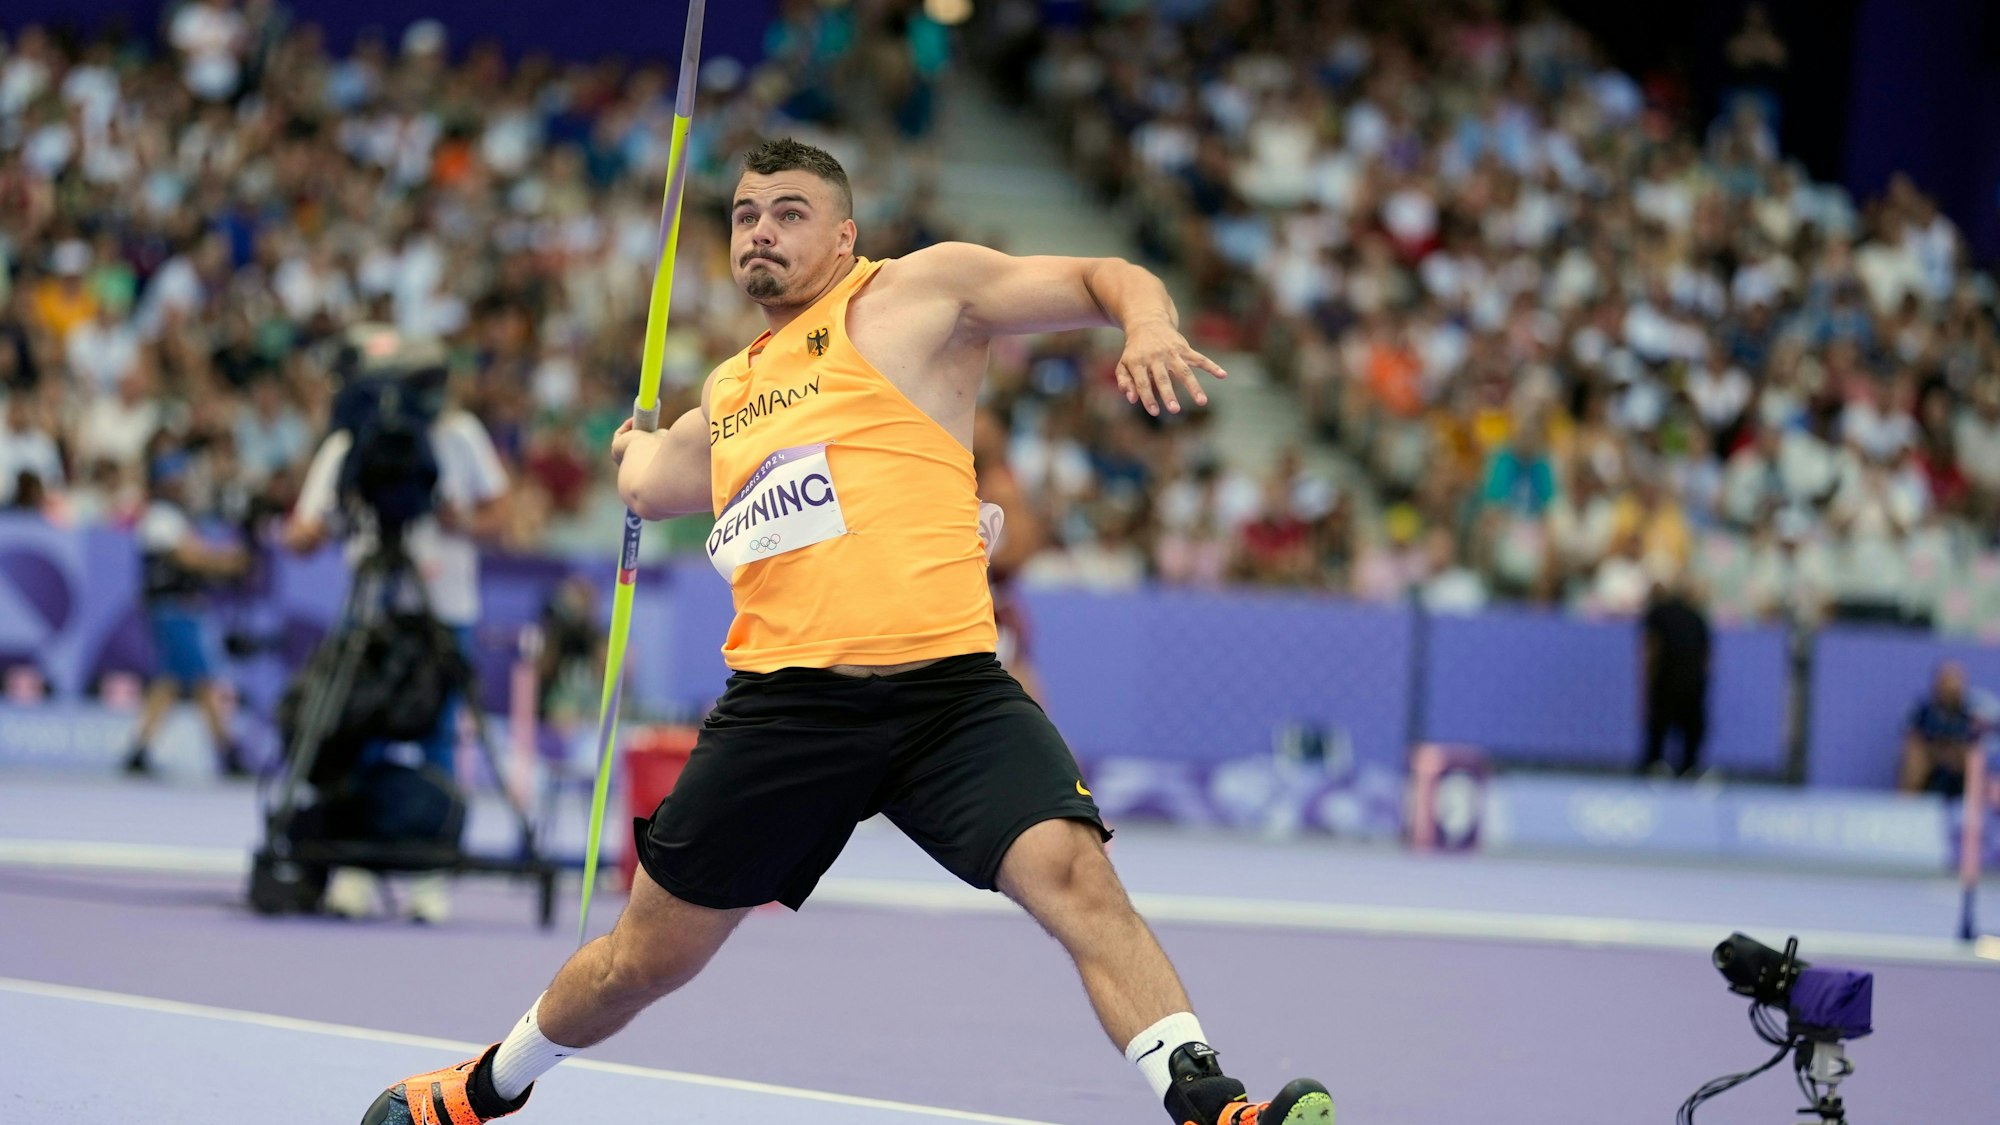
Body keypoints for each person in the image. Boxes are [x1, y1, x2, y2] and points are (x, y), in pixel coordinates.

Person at [360, 138, 1332, 1125]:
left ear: (842, 237)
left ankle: (1207, 1098)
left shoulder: (918, 298)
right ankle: (485, 1087)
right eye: (744, 215)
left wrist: (1147, 321)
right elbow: (650, 485)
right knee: (640, 962)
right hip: (785, 709)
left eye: (787, 212)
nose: (760, 232)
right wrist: (630, 447)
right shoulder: (731, 393)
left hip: (948, 695)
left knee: (1075, 873)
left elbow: (1100, 273)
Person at [286, 332, 511, 924]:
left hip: (445, 611)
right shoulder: (349, 441)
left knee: (439, 735)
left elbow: (501, 515)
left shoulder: (460, 436)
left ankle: (429, 871)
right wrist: (333, 517)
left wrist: (454, 516)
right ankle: (355, 868)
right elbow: (302, 531)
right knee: (357, 735)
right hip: (373, 617)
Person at [124, 447, 251, 777]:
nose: (179, 485)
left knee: (169, 682)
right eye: (174, 479)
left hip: (180, 608)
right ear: (163, 483)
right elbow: (190, 557)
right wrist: (231, 561)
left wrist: (227, 561)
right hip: (172, 610)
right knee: (204, 679)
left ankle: (139, 749)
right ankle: (227, 751)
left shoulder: (175, 516)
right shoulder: (160, 517)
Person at [1638, 573, 1713, 778]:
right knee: (1688, 729)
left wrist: (1647, 677)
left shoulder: (1660, 614)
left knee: (1660, 727)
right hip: (1691, 684)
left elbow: (1651, 648)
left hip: (1667, 682)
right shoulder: (1697, 618)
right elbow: (1708, 660)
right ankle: (1688, 768)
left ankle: (1655, 766)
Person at [1899, 661, 1979, 798]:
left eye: (1956, 682)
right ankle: (1907, 808)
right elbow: (1914, 738)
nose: (1951, 687)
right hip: (1931, 763)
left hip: (1958, 765)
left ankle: (1974, 809)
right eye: (1946, 682)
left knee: (1975, 758)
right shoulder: (1923, 712)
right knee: (1915, 755)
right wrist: (1939, 753)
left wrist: (1954, 754)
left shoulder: (1970, 715)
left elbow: (1973, 742)